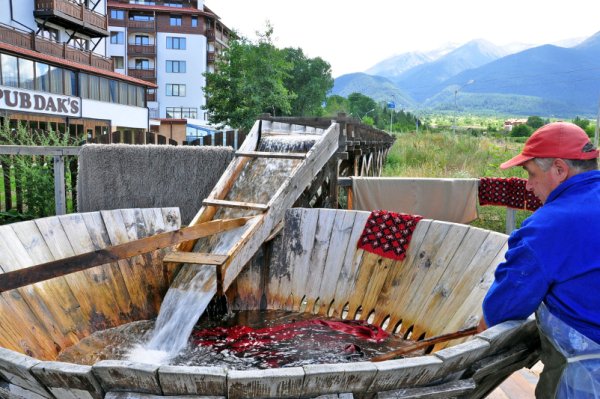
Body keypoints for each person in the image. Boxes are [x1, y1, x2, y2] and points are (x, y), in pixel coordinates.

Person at [480, 121, 600, 398]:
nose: (529, 186)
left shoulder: (547, 228)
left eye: (531, 174)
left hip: (584, 379)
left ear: (559, 169)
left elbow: (499, 312)